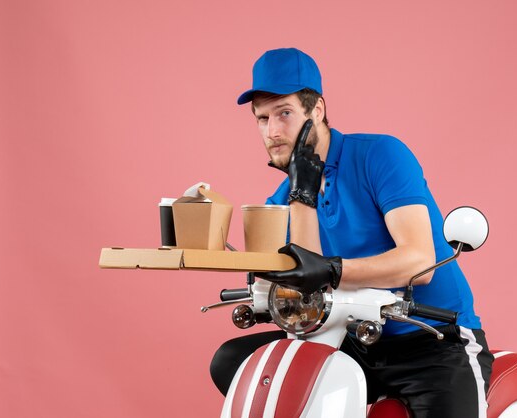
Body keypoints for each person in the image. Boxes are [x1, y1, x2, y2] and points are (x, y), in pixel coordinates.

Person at [210, 47, 493, 418]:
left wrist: (332, 270)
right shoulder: (283, 199)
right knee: (233, 361)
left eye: (284, 113)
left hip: (433, 340)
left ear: (317, 111)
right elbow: (306, 284)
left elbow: (421, 263)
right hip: (354, 341)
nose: (272, 131)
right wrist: (301, 195)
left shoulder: (380, 155)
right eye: (262, 118)